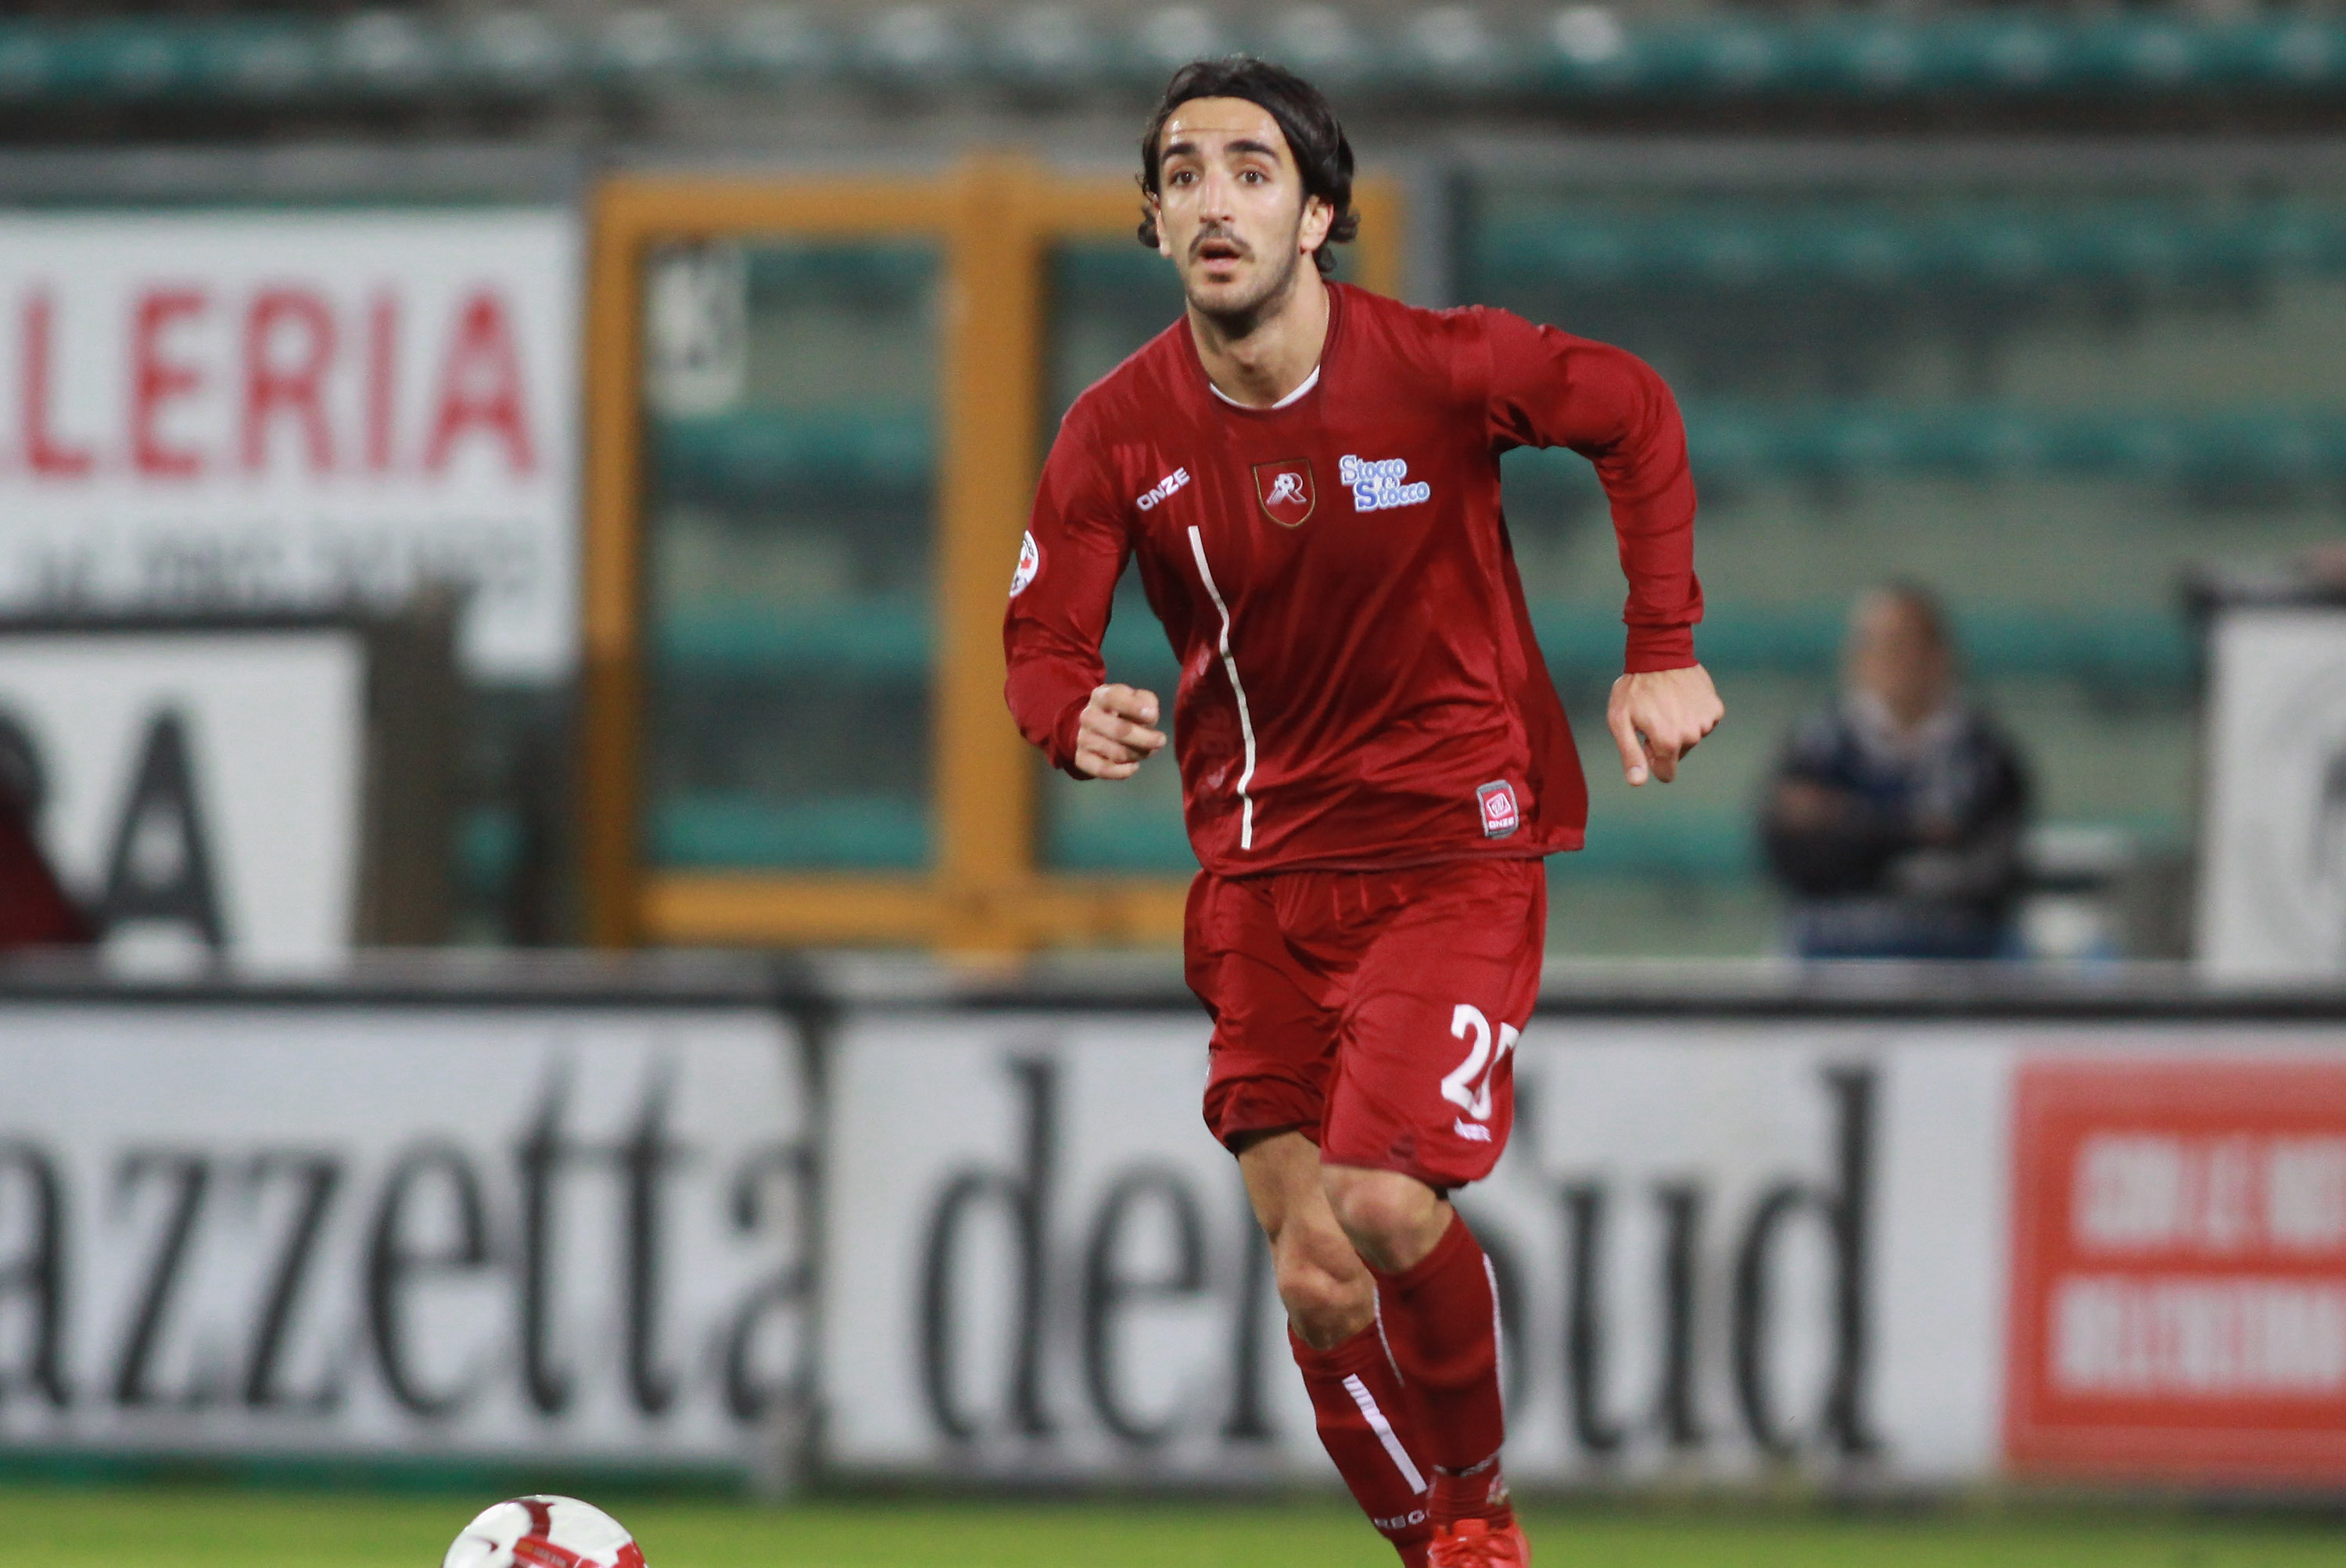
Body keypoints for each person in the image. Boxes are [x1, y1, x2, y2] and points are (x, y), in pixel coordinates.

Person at [1003, 58, 1720, 1567]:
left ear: (1319, 213)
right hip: (1260, 877)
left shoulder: (1443, 367)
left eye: (1254, 171)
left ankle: (1479, 1519)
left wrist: (1662, 647)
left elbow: (1635, 413)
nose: (1216, 198)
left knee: (1388, 1206)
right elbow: (1042, 645)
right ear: (1149, 219)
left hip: (1452, 851)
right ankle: (1440, 1552)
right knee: (1318, 1279)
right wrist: (1073, 716)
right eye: (1185, 172)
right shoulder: (1113, 435)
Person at [1761, 583, 2029, 959]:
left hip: (1957, 949)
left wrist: (1847, 822)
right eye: (1872, 644)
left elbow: (1991, 867)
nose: (1885, 659)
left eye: (1901, 645)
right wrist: (1919, 832)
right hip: (1834, 946)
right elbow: (1794, 851)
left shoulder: (1982, 755)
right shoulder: (1817, 746)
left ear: (1938, 656)